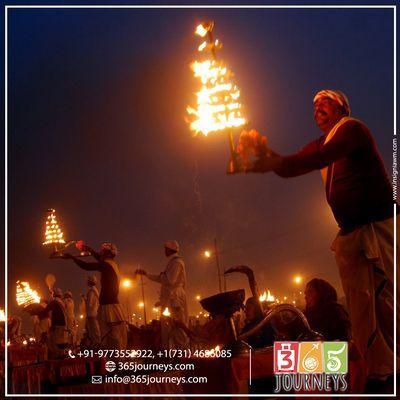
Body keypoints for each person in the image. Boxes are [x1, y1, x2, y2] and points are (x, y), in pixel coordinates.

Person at [239, 89, 398, 385]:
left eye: (325, 101)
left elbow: (321, 157)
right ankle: (381, 371)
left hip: (377, 226)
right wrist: (265, 158)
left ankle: (390, 369)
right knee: (363, 308)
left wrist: (273, 161)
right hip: (350, 234)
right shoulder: (322, 144)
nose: (317, 107)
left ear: (342, 108)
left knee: (385, 299)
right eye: (313, 105)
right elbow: (291, 166)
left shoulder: (352, 129)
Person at [62, 242, 127, 350]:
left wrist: (72, 257)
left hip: (110, 308)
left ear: (107, 254)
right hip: (108, 306)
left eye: (102, 251)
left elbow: (86, 266)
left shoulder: (106, 265)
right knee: (109, 337)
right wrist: (89, 249)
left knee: (113, 337)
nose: (100, 253)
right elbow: (98, 257)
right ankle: (113, 361)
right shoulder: (111, 264)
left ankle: (117, 362)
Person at [136, 240, 188, 349]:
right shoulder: (172, 262)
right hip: (170, 300)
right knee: (169, 329)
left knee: (177, 328)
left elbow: (170, 280)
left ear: (170, 250)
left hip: (175, 300)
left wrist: (163, 275)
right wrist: (147, 274)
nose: (164, 251)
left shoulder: (177, 262)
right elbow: (163, 279)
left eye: (165, 249)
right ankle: (175, 355)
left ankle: (184, 355)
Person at [39, 288, 68, 358]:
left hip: (57, 325)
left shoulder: (54, 301)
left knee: (55, 342)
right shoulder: (61, 302)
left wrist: (40, 308)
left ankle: (58, 357)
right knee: (61, 341)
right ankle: (61, 355)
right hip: (63, 324)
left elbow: (46, 309)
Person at [85, 275, 101, 346]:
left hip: (91, 313)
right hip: (93, 313)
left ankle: (97, 344)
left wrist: (85, 300)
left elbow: (89, 303)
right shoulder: (94, 290)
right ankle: (96, 344)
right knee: (94, 330)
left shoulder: (91, 291)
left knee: (94, 331)